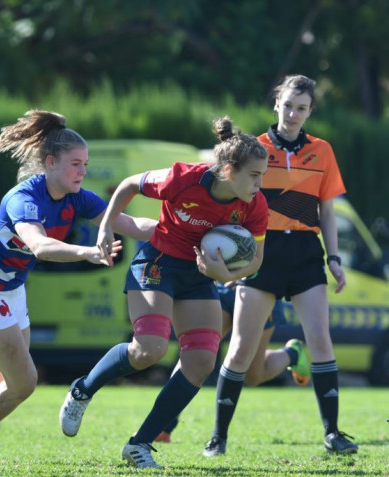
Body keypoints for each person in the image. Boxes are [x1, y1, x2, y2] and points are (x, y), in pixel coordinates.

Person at [0, 110, 157, 465]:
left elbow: (131, 224)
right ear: (50, 162)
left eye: (85, 164)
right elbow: (40, 246)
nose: (82, 171)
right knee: (24, 382)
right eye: (75, 164)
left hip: (10, 291)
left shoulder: (77, 197)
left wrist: (184, 229)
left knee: (0, 378)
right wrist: (88, 251)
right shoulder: (23, 198)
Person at [59, 117, 269, 469]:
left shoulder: (254, 205)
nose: (260, 184)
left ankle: (139, 445)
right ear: (229, 170)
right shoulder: (183, 178)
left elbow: (257, 262)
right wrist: (107, 226)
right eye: (254, 175)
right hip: (157, 263)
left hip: (199, 276)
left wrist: (226, 273)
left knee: (202, 361)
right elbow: (127, 185)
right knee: (149, 350)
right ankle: (83, 389)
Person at [201, 75, 358, 457]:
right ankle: (218, 438)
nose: (293, 113)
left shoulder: (322, 151)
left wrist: (334, 259)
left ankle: (333, 433)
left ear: (310, 112)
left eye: (301, 108)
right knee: (239, 349)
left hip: (305, 253)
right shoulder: (255, 148)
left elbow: (326, 209)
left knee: (321, 341)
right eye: (288, 105)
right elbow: (232, 200)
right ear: (276, 103)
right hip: (260, 251)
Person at [154, 282, 309, 443]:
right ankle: (162, 426)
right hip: (226, 288)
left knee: (253, 376)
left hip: (262, 292)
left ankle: (292, 354)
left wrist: (251, 271)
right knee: (194, 355)